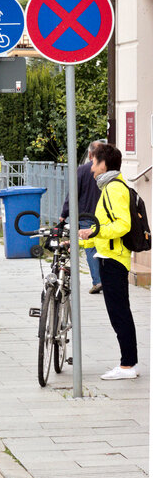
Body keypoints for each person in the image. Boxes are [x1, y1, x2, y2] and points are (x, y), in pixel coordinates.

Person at [80, 143, 139, 380]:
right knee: (118, 311)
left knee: (119, 312)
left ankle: (128, 365)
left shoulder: (114, 188)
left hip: (114, 260)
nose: (91, 167)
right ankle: (128, 363)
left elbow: (122, 225)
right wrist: (83, 241)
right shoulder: (110, 186)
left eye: (93, 162)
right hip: (109, 256)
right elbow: (102, 229)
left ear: (104, 163)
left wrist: (94, 233)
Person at [59, 140, 104, 294]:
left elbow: (73, 193)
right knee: (105, 247)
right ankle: (107, 280)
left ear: (90, 154)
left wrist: (64, 213)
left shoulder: (82, 170)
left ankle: (98, 281)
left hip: (86, 215)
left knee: (91, 248)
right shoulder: (108, 171)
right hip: (104, 216)